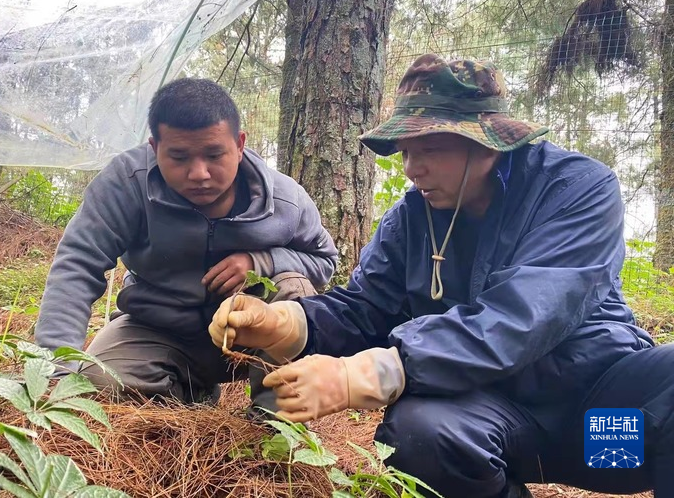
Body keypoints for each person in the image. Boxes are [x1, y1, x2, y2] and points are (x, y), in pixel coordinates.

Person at [209, 55, 674, 498]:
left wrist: (372, 372)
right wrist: (288, 322)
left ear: (487, 140)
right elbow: (366, 307)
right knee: (420, 432)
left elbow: (527, 315)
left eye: (429, 148)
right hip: (495, 424)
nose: (413, 169)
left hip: (601, 425)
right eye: (406, 151)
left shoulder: (574, 188)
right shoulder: (411, 219)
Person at [35, 77, 338, 415]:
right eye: (178, 157)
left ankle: (273, 424)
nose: (199, 174)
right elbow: (76, 267)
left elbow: (324, 260)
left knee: (294, 288)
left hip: (251, 334)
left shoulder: (284, 199)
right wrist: (53, 374)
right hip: (158, 327)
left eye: (214, 154)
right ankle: (190, 390)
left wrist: (261, 261)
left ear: (239, 145)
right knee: (100, 389)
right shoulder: (126, 184)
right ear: (154, 148)